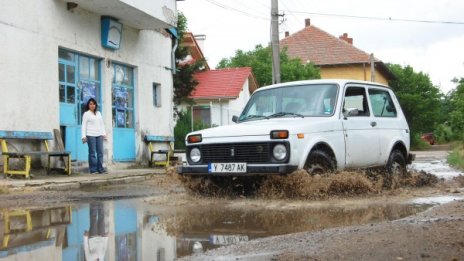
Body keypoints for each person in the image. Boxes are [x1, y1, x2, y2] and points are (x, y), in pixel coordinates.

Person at [82, 98, 108, 174]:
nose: (92, 105)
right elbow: (83, 125)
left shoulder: (99, 113)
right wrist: (83, 136)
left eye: (93, 104)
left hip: (99, 135)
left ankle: (100, 169)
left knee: (100, 152)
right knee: (92, 152)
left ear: (95, 105)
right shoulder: (86, 114)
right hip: (90, 135)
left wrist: (104, 134)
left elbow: (102, 124)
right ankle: (93, 169)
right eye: (90, 104)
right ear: (88, 105)